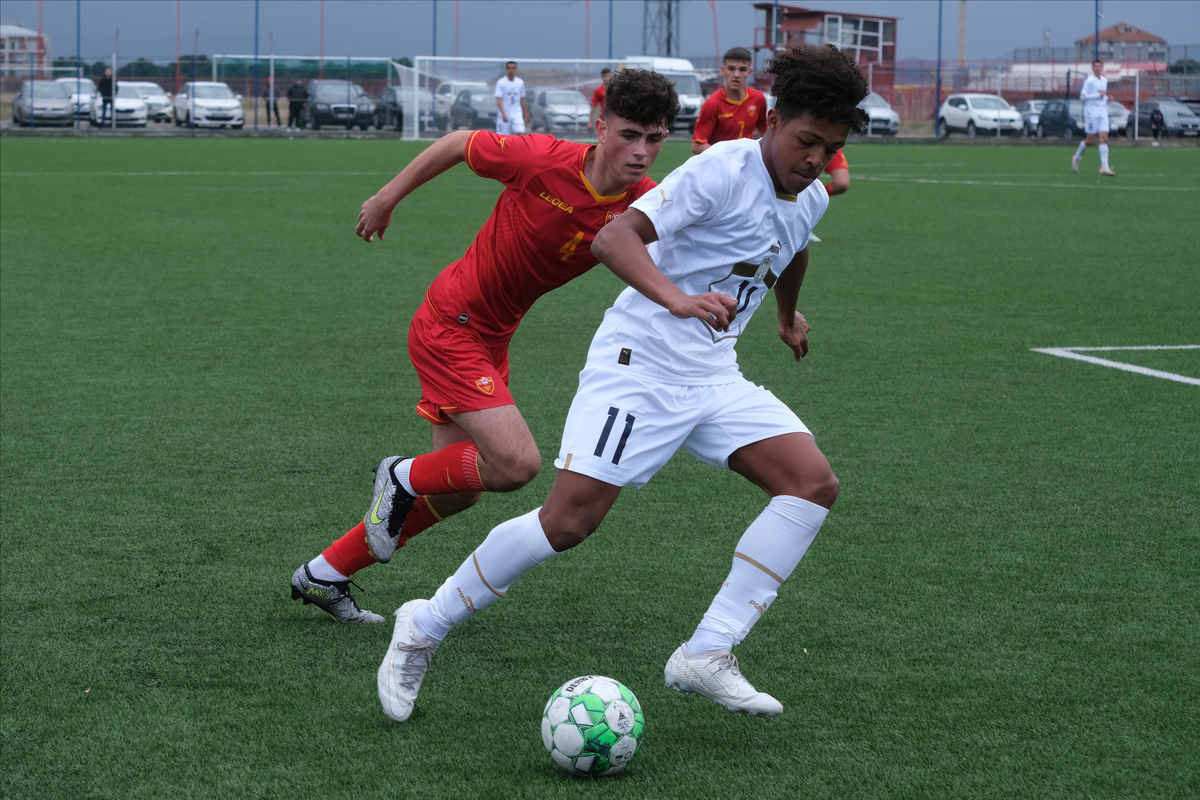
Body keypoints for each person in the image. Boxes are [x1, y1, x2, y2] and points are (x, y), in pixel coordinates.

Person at [376, 42, 869, 724]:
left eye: (829, 148)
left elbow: (787, 251)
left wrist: (787, 318)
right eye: (806, 141)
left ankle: (708, 651)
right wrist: (678, 299)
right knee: (569, 522)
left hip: (712, 374)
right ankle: (423, 625)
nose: (814, 159)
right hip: (638, 367)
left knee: (812, 484)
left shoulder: (809, 196)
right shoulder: (720, 171)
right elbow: (615, 239)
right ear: (772, 121)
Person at [289, 69, 679, 623]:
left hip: (493, 338)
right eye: (629, 134)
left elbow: (693, 252)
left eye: (656, 138)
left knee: (459, 490)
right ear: (601, 127)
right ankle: (399, 475)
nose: (642, 152)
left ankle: (324, 574)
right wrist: (386, 196)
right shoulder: (543, 159)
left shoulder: (642, 204)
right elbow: (455, 144)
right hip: (451, 324)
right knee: (517, 464)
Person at [691, 47, 767, 155]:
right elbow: (697, 145)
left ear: (749, 72)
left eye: (742, 69)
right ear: (723, 70)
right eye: (731, 69)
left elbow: (763, 130)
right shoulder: (712, 103)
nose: (736, 74)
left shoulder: (758, 98)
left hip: (747, 164)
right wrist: (727, 157)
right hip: (720, 166)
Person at [1072, 59, 1116, 176]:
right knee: (1090, 141)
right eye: (1095, 66)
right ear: (1092, 68)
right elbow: (1083, 96)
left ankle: (1104, 166)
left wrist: (1107, 99)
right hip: (1091, 113)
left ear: (1102, 68)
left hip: (1102, 113)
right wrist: (1098, 95)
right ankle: (1077, 157)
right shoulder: (1089, 81)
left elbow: (1102, 96)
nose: (1098, 68)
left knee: (1104, 139)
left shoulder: (1104, 80)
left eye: (1100, 66)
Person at [494, 61, 528, 135]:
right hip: (505, 113)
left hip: (516, 113)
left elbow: (522, 99)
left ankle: (520, 147)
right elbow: (499, 99)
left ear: (516, 69)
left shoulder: (520, 83)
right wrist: (503, 113)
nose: (511, 70)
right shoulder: (501, 83)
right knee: (502, 138)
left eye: (513, 68)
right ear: (506, 69)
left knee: (520, 134)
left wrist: (526, 114)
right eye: (509, 68)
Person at [588, 68, 612, 133]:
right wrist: (590, 121)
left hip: (614, 118)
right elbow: (593, 106)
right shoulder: (598, 90)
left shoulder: (616, 89)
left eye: (608, 76)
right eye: (605, 76)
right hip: (603, 118)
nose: (606, 78)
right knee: (604, 139)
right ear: (602, 77)